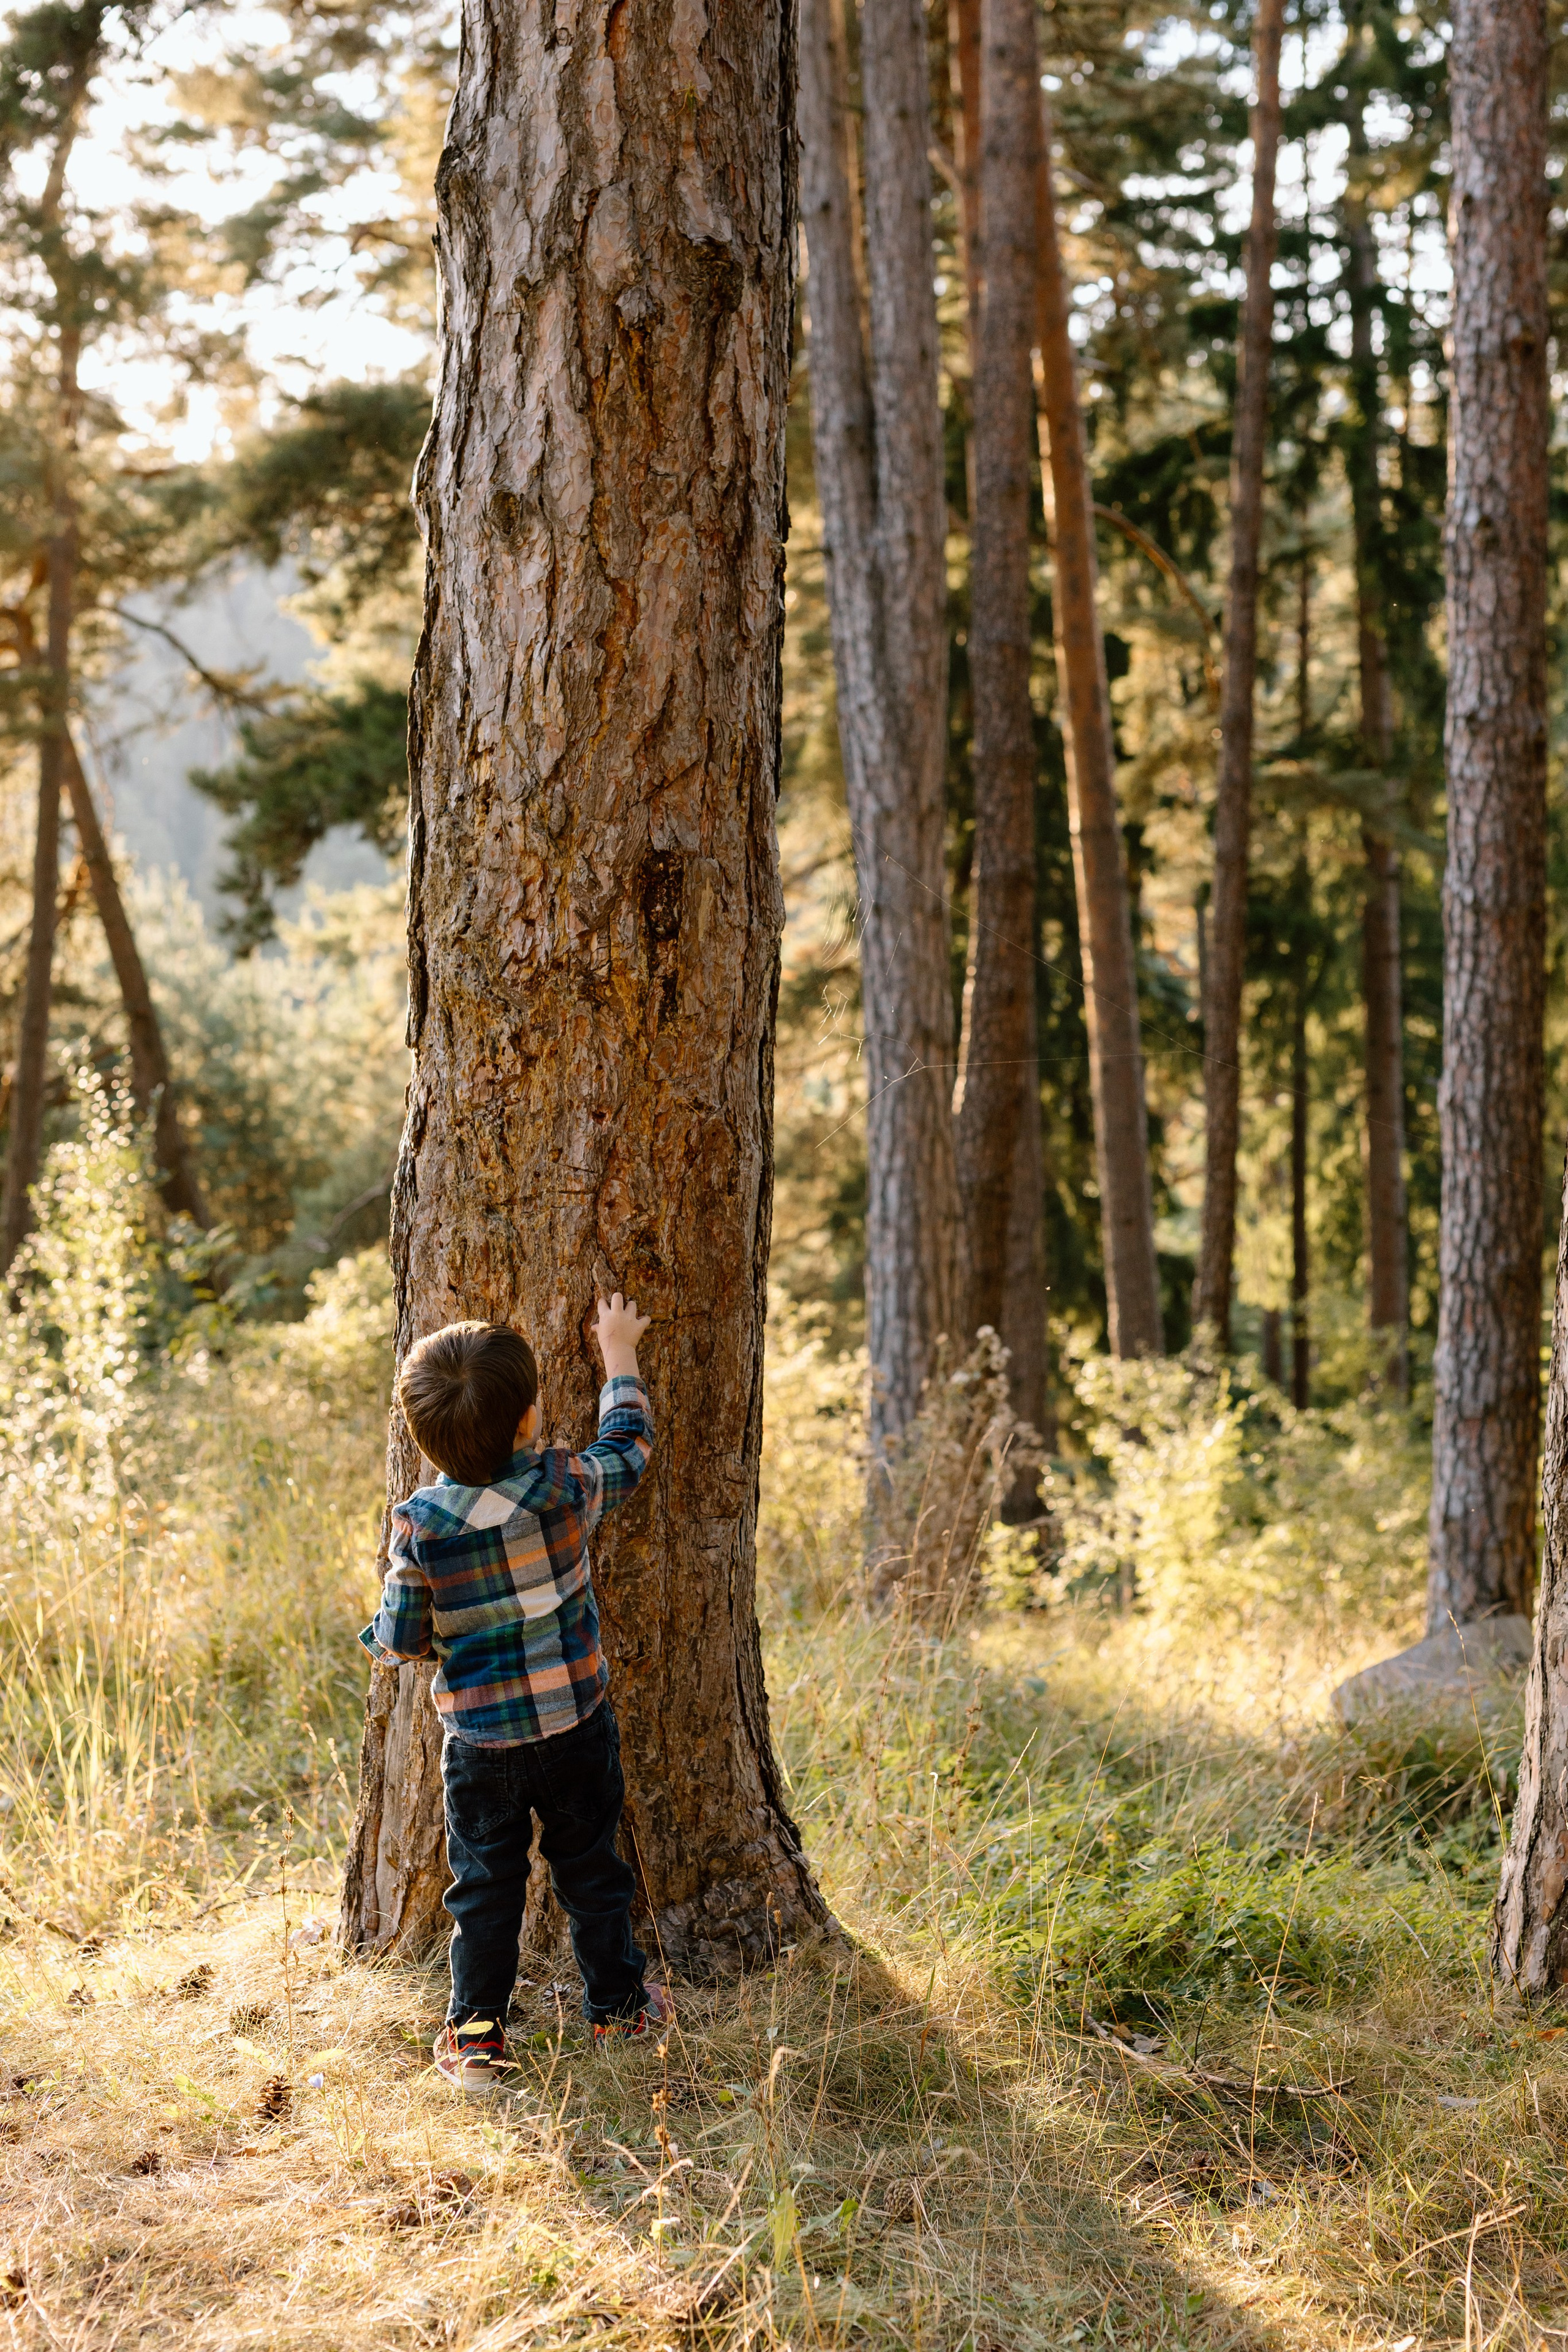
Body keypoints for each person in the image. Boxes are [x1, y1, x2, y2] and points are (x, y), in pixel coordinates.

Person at [360, 1292, 669, 2095]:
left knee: (486, 1891)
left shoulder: (421, 1525)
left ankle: (476, 2040)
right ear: (531, 1422)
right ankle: (621, 2010)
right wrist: (618, 1351)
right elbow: (627, 1449)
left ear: (421, 1438)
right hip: (575, 1728)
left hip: (483, 1749)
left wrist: (435, 1637)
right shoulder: (565, 1485)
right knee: (592, 1871)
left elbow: (400, 1638)